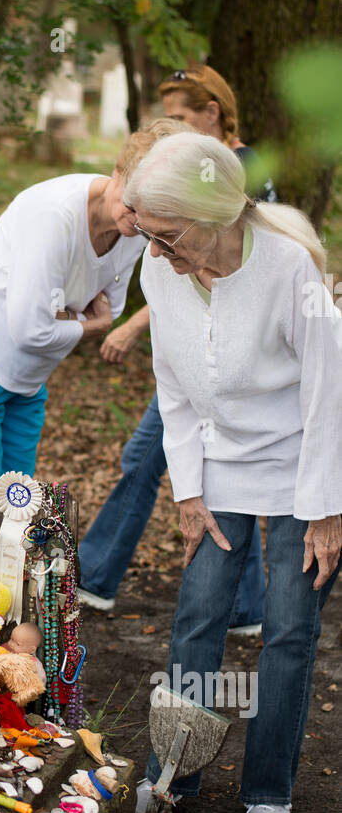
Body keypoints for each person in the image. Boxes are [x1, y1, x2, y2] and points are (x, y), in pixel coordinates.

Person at [127, 132, 342, 813]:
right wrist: (188, 490)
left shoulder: (288, 272)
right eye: (147, 236)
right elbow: (173, 388)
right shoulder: (159, 270)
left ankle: (267, 790)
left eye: (165, 235)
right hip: (217, 464)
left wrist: (323, 512)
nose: (153, 252)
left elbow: (326, 396)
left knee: (287, 627)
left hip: (298, 466)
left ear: (212, 214)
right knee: (197, 618)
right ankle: (174, 771)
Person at [78, 65, 275, 632]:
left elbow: (215, 269)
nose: (176, 132)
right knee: (173, 462)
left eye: (185, 118)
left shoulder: (242, 172)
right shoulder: (186, 176)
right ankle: (242, 607)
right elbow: (173, 263)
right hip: (192, 348)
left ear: (212, 112)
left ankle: (95, 577)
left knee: (187, 465)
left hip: (228, 351)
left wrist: (131, 326)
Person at [0, 119, 186, 480]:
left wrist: (57, 317)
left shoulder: (137, 228)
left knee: (13, 507)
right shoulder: (55, 215)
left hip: (27, 379)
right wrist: (94, 325)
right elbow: (31, 330)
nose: (138, 220)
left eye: (150, 210)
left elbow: (112, 306)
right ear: (117, 173)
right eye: (133, 204)